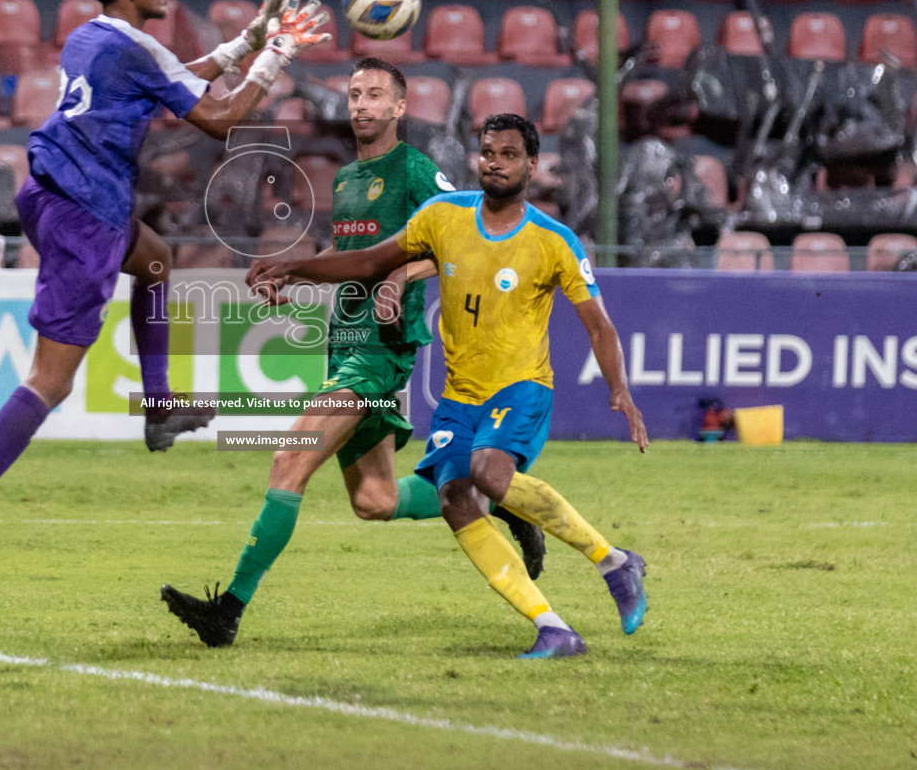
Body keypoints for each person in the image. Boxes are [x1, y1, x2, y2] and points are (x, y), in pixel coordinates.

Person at [0, 0, 330, 584]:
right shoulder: (135, 48)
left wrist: (247, 39)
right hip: (84, 215)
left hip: (57, 196)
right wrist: (277, 53)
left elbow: (166, 77)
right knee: (50, 382)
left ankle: (160, 405)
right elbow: (219, 119)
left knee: (157, 260)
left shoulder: (91, 38)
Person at [160, 59, 548, 648]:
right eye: (354, 94)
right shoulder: (345, 182)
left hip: (379, 352)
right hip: (343, 344)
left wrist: (403, 277)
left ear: (399, 108)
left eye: (375, 95)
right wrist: (294, 280)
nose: (361, 104)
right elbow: (354, 263)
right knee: (375, 500)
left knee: (287, 462)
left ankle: (228, 611)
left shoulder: (416, 172)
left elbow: (462, 241)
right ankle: (499, 501)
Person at [246, 112, 650, 659]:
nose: (496, 163)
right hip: (461, 395)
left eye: (509, 155)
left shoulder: (555, 241)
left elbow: (599, 324)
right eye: (488, 153)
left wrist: (618, 389)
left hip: (522, 386)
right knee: (456, 497)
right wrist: (296, 268)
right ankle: (553, 627)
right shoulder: (443, 215)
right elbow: (368, 260)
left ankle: (613, 562)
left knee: (488, 471)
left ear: (532, 165)